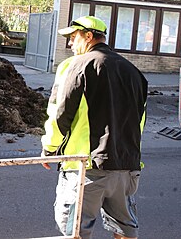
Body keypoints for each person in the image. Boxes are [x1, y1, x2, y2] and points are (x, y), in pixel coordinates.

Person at [41, 16, 148, 239]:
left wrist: (50, 148)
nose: (70, 44)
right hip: (126, 167)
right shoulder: (133, 72)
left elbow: (60, 113)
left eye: (73, 38)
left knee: (75, 230)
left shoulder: (74, 66)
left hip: (86, 167)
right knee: (125, 229)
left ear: (88, 36)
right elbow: (140, 121)